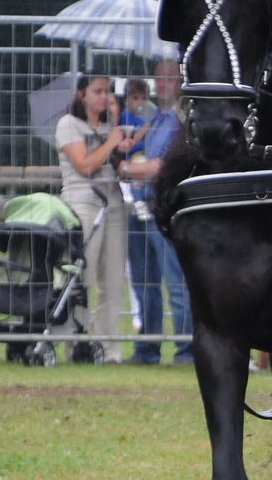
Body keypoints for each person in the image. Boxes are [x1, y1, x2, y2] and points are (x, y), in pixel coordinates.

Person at [56, 74, 135, 362]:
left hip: (113, 203)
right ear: (82, 95)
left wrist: (123, 147)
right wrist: (111, 142)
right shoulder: (69, 124)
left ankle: (109, 349)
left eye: (107, 92)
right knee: (82, 278)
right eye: (98, 91)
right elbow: (85, 165)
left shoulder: (110, 126)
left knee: (114, 282)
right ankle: (75, 344)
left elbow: (117, 167)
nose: (104, 97)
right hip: (82, 204)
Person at [118, 62, 192, 364]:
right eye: (158, 78)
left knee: (176, 282)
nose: (161, 84)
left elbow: (160, 167)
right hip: (139, 206)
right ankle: (146, 347)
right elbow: (143, 159)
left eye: (168, 78)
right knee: (144, 282)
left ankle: (186, 349)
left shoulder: (180, 121)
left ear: (180, 82)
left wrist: (125, 169)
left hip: (162, 210)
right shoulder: (155, 118)